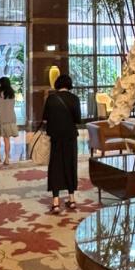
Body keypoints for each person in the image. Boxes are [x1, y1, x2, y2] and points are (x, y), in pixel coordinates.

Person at [42, 73, 80, 213]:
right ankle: (71, 198)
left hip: (56, 137)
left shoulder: (51, 98)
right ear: (69, 84)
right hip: (70, 136)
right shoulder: (75, 99)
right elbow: (78, 120)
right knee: (70, 164)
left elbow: (45, 118)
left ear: (57, 84)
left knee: (55, 166)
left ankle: (56, 202)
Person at [0, 76, 18, 165]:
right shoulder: (12, 94)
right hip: (10, 118)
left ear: (0, 84)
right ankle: (7, 158)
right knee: (7, 139)